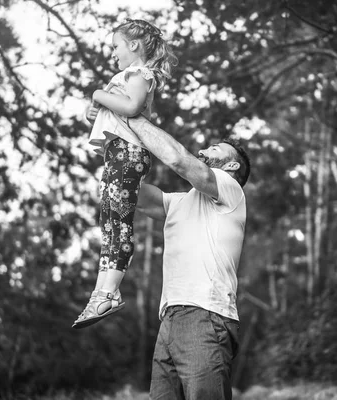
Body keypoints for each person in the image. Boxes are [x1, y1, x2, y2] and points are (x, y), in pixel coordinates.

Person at [126, 115, 251, 400]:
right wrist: (114, 136)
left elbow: (180, 160)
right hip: (169, 319)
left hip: (205, 315)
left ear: (231, 165)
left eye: (216, 149)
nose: (205, 149)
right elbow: (133, 192)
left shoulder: (231, 191)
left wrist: (132, 118)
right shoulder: (178, 203)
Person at [72, 19, 177, 329]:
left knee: (119, 222)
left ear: (133, 46)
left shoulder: (140, 75)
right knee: (109, 222)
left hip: (130, 154)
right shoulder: (128, 75)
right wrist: (93, 110)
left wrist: (97, 94)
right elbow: (115, 111)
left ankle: (109, 292)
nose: (113, 53)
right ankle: (100, 293)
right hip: (118, 153)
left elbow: (131, 107)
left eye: (116, 46)